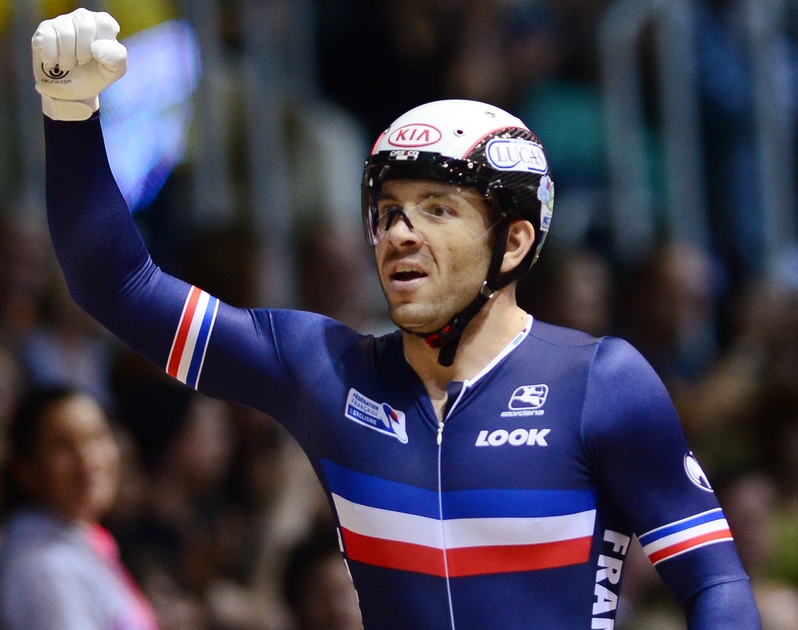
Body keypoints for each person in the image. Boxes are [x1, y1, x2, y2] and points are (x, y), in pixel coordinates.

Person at [30, 9, 760, 629]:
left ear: (513, 241)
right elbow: (117, 285)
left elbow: (716, 584)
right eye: (387, 212)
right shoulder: (323, 369)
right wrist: (69, 114)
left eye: (437, 210)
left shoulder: (602, 382)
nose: (400, 234)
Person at [0, 386, 159, 630]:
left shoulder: (81, 542)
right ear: (25, 469)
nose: (87, 459)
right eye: (62, 445)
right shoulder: (46, 568)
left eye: (97, 437)